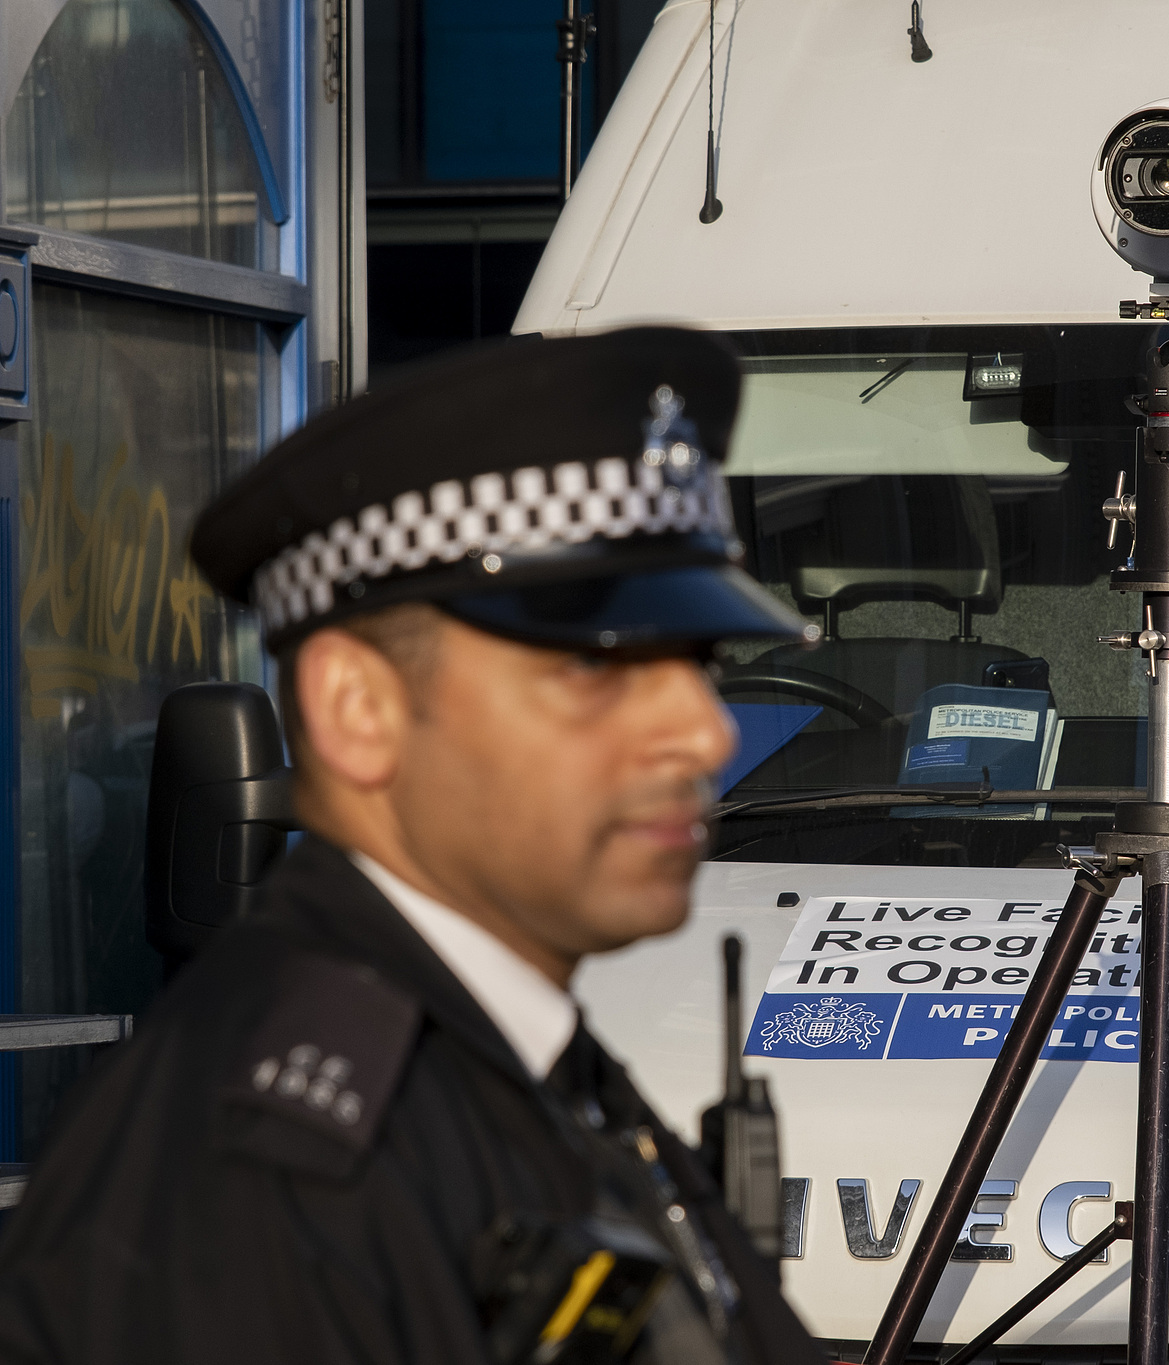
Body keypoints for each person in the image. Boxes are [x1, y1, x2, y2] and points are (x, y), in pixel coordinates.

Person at [0, 328, 827, 1364]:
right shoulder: (266, 1184)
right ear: (358, 708)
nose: (705, 731)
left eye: (697, 661)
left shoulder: (513, 1061)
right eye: (597, 669)